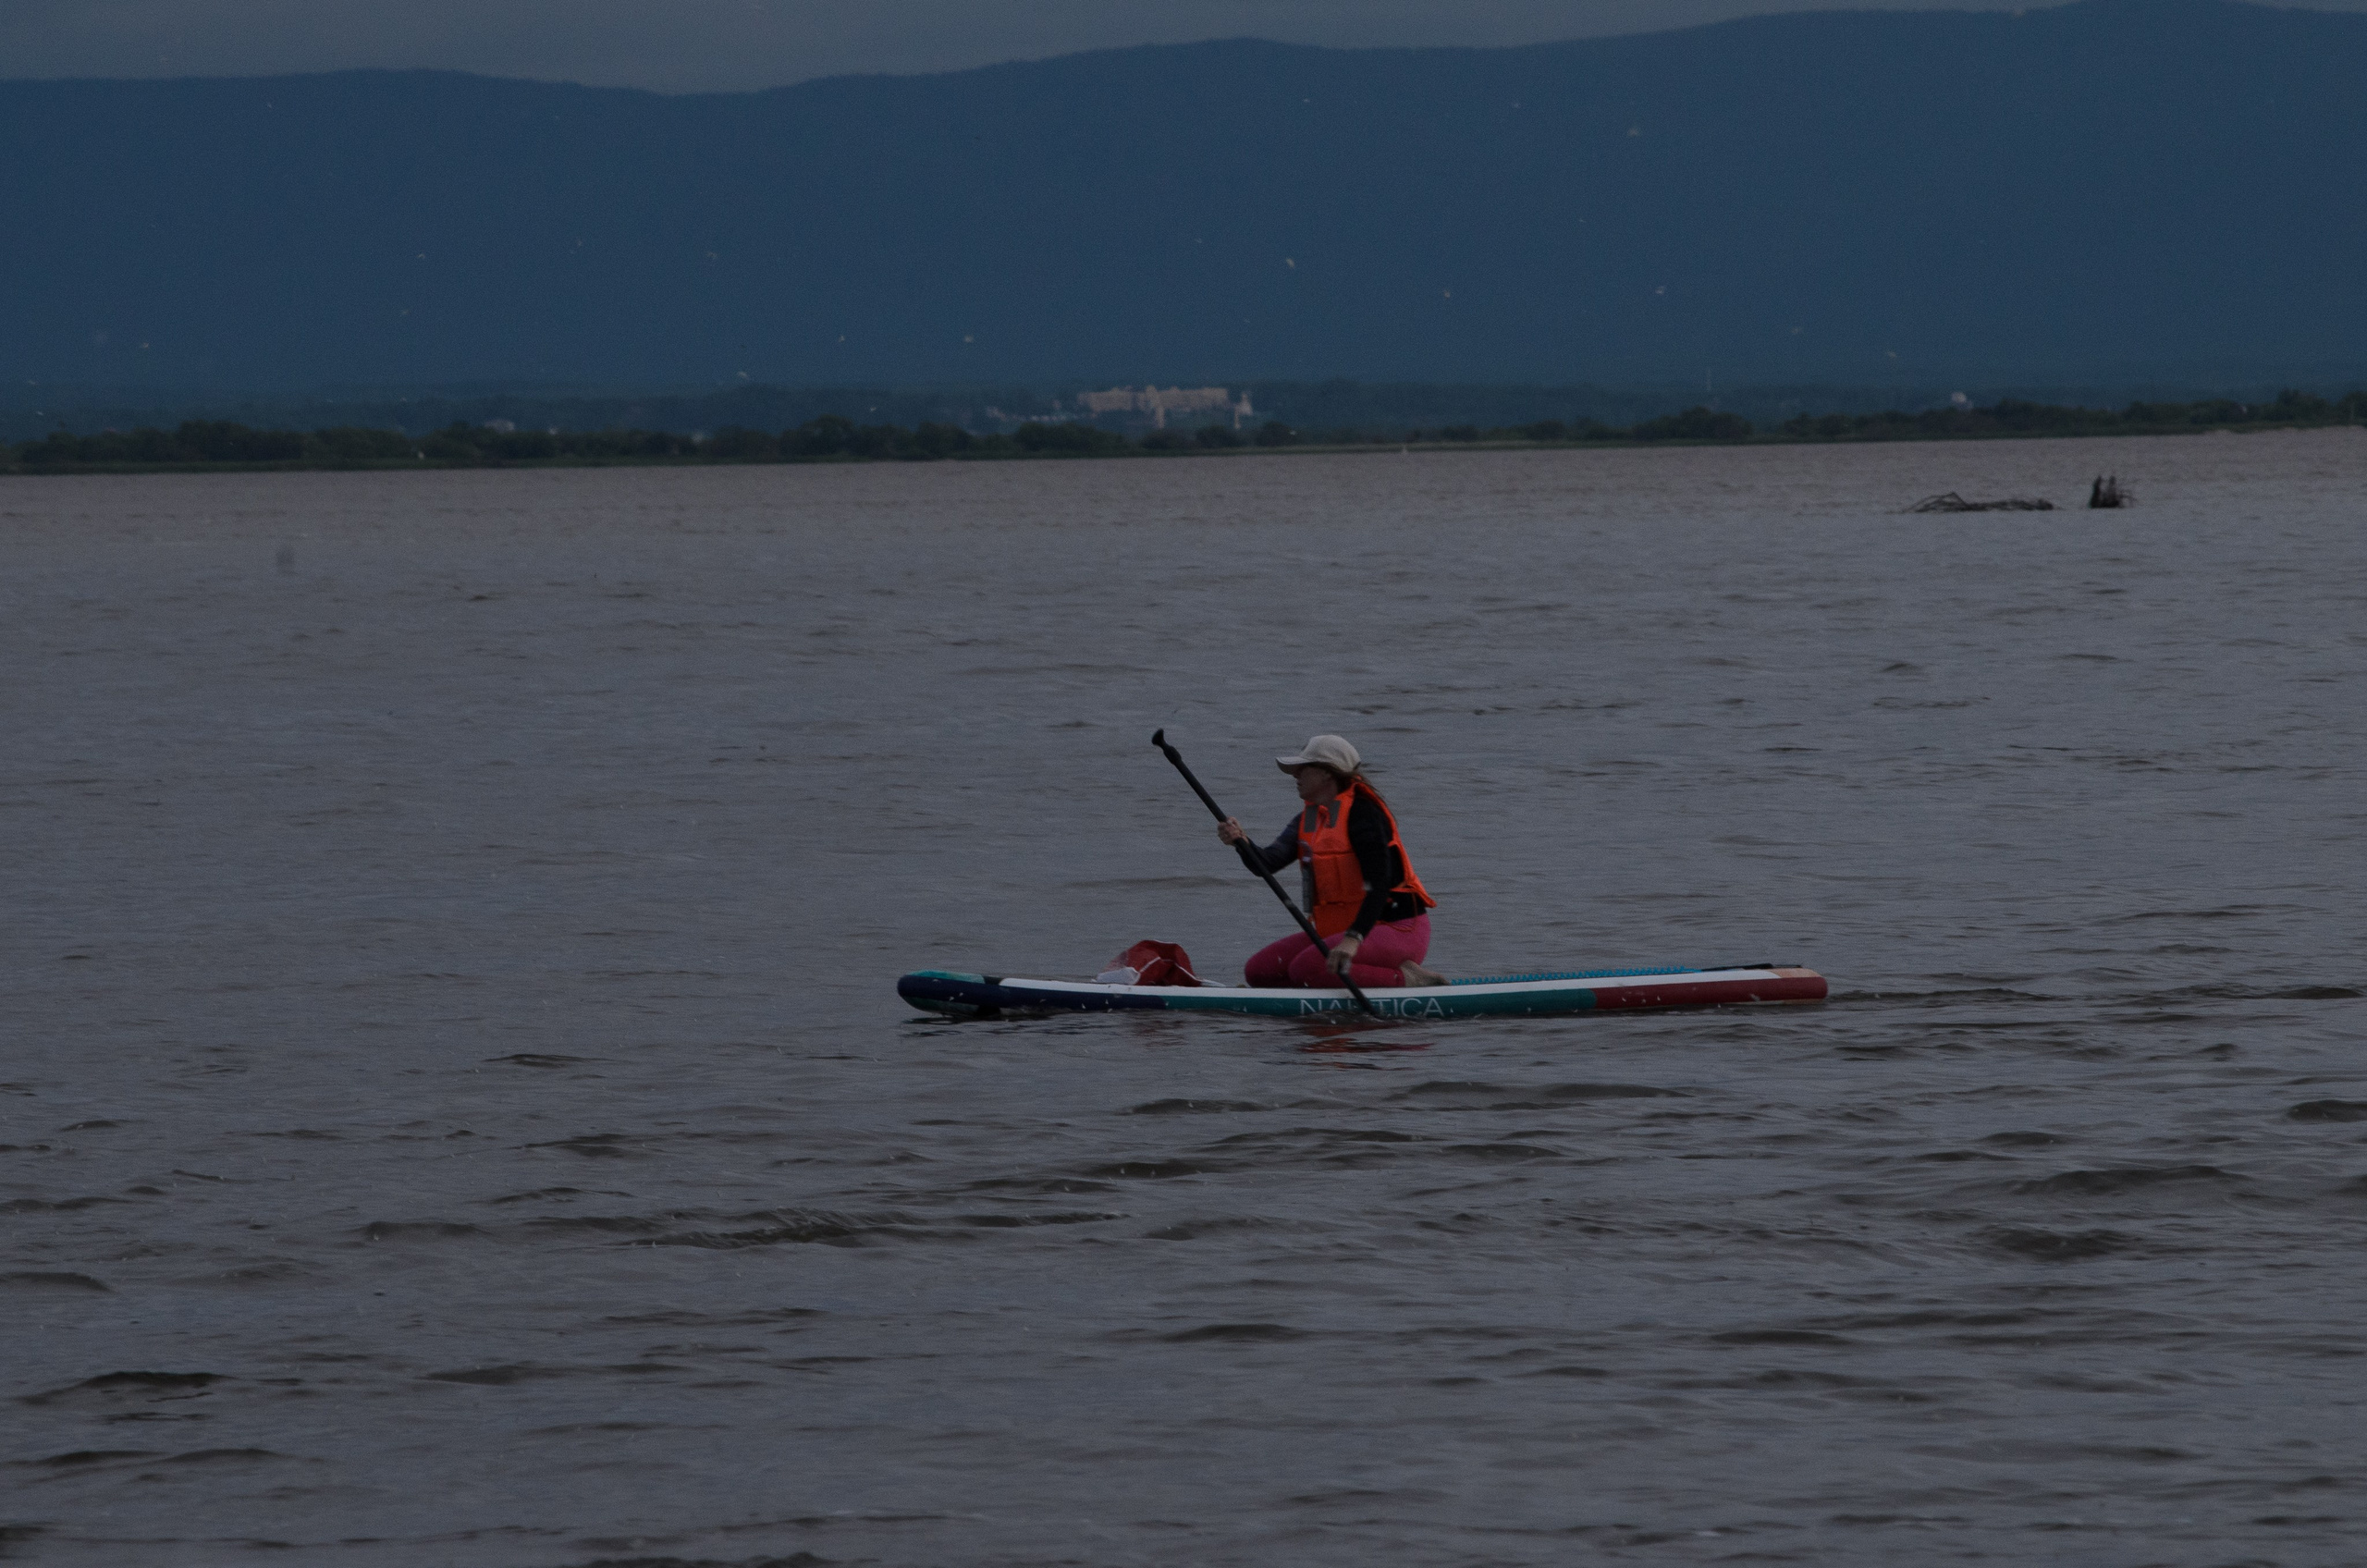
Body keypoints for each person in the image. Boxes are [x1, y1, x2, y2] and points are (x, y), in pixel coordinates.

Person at [1218, 734, 1446, 989]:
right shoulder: (1309, 818)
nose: (1295, 775)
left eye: (1303, 768)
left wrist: (1353, 938)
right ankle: (1315, 990)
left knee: (1306, 968)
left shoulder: (1363, 814)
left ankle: (1411, 978)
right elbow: (1266, 864)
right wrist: (1241, 842)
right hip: (1342, 932)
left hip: (1397, 929)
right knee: (1259, 972)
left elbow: (1379, 885)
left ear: (1327, 773)